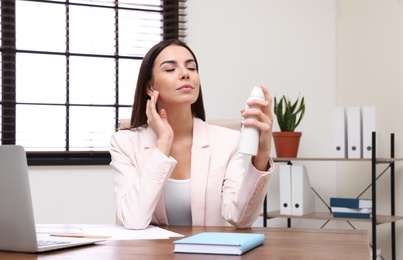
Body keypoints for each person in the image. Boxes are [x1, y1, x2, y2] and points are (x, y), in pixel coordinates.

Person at [110, 39, 275, 230]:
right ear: (150, 87)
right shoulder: (124, 143)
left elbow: (240, 218)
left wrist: (262, 153)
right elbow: (134, 220)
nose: (185, 74)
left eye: (191, 68)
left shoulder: (228, 141)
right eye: (170, 69)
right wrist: (163, 144)